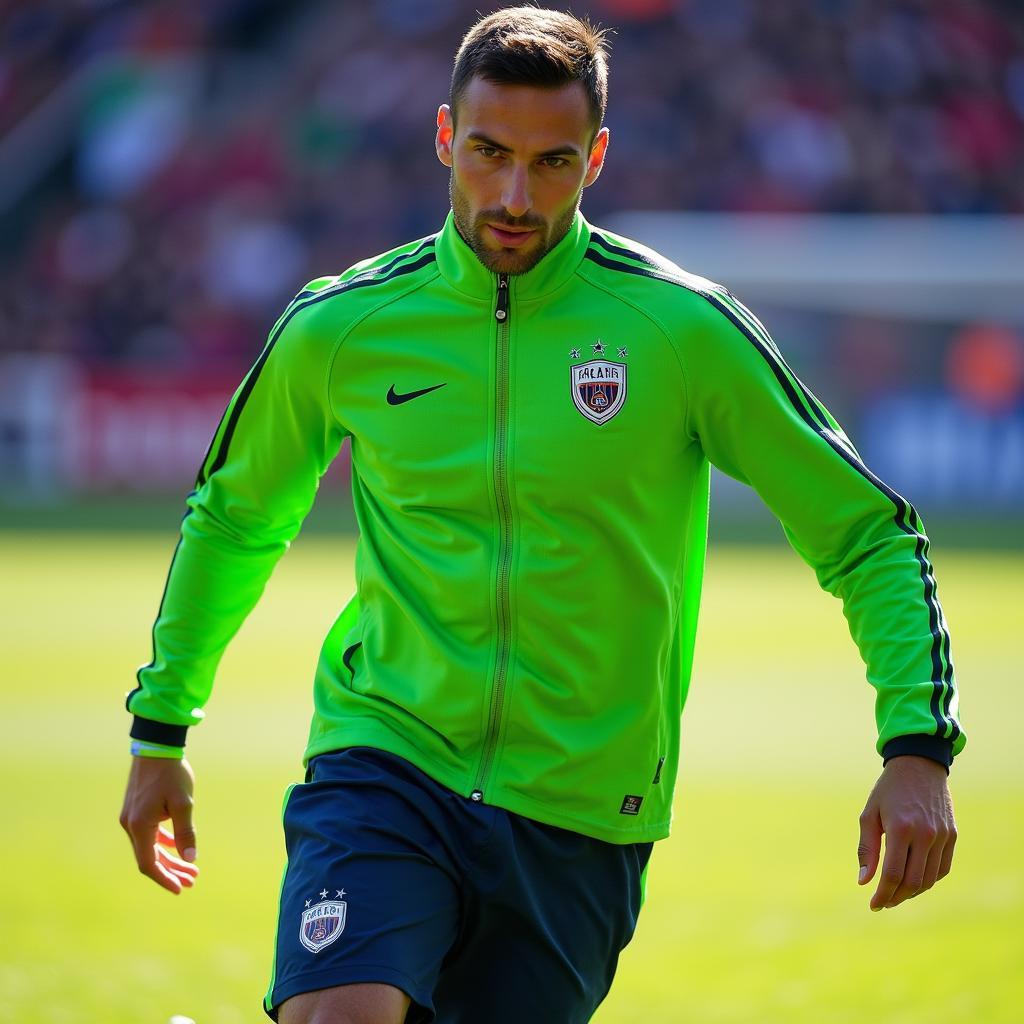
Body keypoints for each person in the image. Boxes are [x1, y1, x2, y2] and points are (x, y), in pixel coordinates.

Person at [119, 7, 965, 1023]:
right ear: (445, 138)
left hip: (580, 810)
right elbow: (234, 517)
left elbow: (865, 531)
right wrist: (160, 730)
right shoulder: (339, 327)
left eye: (551, 162)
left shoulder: (680, 331)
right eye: (488, 153)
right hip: (386, 757)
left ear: (597, 157)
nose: (514, 195)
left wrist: (914, 746)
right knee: (337, 1013)